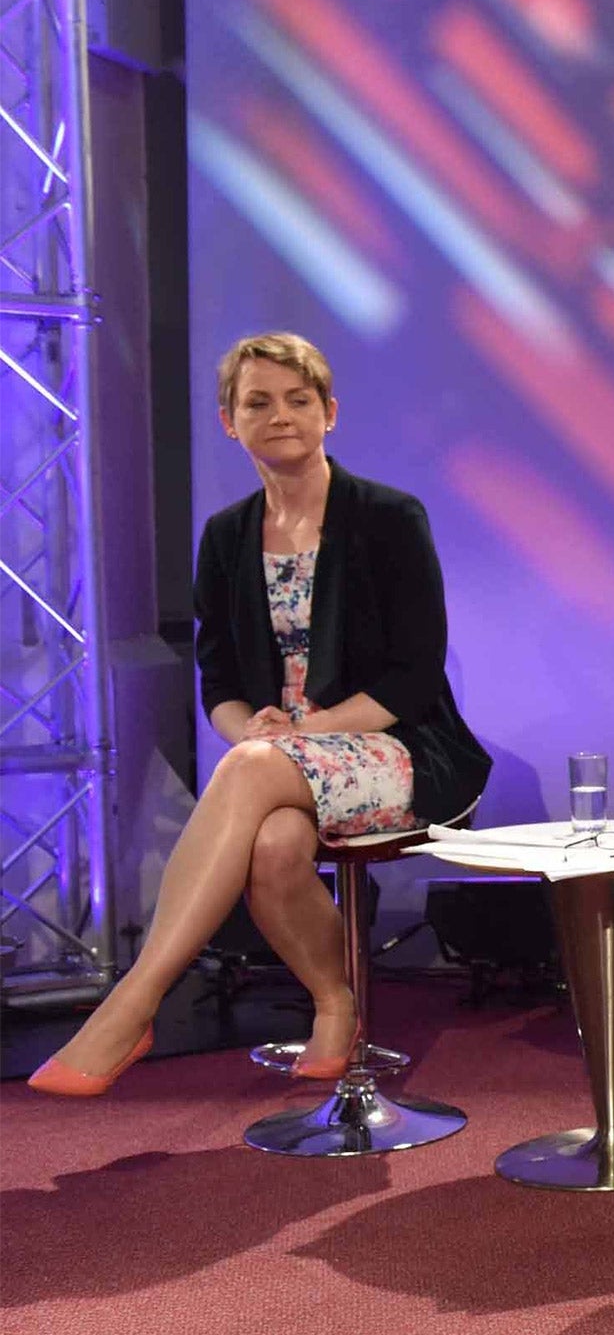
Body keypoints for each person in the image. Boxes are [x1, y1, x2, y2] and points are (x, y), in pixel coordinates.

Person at [31, 332, 490, 1096]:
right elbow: (219, 682)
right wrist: (249, 727)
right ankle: (335, 1003)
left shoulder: (389, 517)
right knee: (275, 845)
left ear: (329, 413)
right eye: (258, 402)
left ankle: (134, 1000)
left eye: (298, 399)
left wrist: (292, 734)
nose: (279, 415)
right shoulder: (225, 536)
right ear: (228, 422)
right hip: (281, 760)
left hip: (399, 747)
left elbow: (413, 680)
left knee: (252, 768)